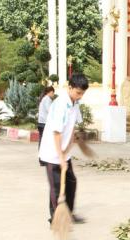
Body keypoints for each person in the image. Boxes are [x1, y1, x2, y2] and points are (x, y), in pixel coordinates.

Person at [39, 74, 89, 224]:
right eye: (78, 92)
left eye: (82, 94)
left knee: (71, 182)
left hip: (64, 152)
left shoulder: (75, 103)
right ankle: (56, 219)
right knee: (56, 187)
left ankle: (68, 213)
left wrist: (70, 144)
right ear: (70, 88)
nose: (80, 96)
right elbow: (56, 132)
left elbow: (73, 124)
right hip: (52, 153)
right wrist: (60, 157)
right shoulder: (60, 104)